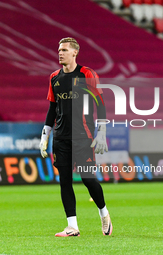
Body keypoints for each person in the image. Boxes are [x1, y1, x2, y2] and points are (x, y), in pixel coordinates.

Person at [39, 37, 112, 237]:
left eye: (64, 50)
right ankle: (72, 226)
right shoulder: (54, 77)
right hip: (61, 138)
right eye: (59, 49)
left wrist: (102, 133)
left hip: (84, 137)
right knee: (65, 181)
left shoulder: (87, 74)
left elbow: (101, 104)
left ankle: (104, 213)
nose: (60, 53)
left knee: (88, 179)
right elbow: (52, 108)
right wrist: (45, 135)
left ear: (74, 53)